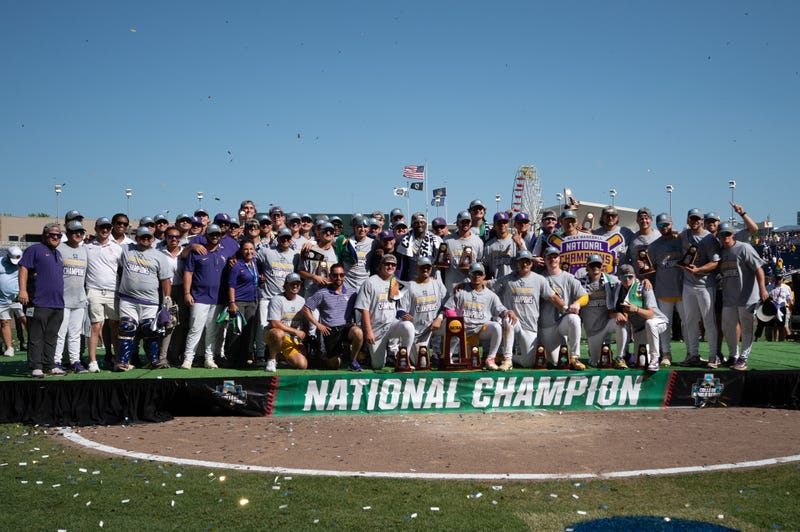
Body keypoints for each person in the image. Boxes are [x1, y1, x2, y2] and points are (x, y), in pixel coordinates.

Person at [116, 226, 173, 371]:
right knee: (126, 328)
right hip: (128, 299)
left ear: (153, 239)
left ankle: (153, 360)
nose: (146, 239)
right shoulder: (126, 249)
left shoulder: (160, 256)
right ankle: (122, 361)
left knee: (150, 329)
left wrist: (167, 299)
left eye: (148, 237)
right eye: (142, 237)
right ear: (137, 237)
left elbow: (166, 279)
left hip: (150, 301)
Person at [494, 250, 563, 369]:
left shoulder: (539, 279)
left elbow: (552, 297)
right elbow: (490, 284)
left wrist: (565, 308)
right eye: (522, 262)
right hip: (514, 320)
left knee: (528, 363)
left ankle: (502, 357)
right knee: (508, 320)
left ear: (531, 263)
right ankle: (507, 359)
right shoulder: (507, 279)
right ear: (517, 263)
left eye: (527, 262)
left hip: (530, 325)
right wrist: (466, 285)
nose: (524, 264)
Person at [716, 223, 768, 370]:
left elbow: (758, 268)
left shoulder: (744, 247)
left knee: (746, 328)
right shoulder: (720, 252)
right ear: (718, 236)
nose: (725, 237)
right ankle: (734, 355)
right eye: (722, 234)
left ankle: (743, 357)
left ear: (733, 234)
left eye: (728, 234)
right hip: (729, 297)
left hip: (747, 296)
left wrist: (763, 288)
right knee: (727, 327)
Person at [443, 262, 514, 370]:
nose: (476, 276)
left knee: (496, 326)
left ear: (484, 276)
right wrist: (458, 322)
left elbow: (500, 309)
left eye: (479, 274)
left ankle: (490, 359)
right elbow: (448, 309)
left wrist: (508, 312)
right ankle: (448, 358)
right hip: (462, 328)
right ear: (469, 275)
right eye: (474, 274)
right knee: (454, 325)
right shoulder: (460, 291)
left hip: (481, 329)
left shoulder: (490, 295)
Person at [18, 223, 66, 377]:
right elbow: (23, 268)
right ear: (45, 235)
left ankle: (49, 365)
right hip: (38, 302)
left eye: (59, 235)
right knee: (36, 336)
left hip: (57, 303)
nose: (56, 237)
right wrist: (23, 290)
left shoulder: (58, 254)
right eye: (53, 234)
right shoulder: (34, 249)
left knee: (52, 337)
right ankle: (36, 366)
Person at [355, 254, 416, 369]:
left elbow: (398, 305)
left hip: (391, 325)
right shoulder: (370, 282)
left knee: (408, 326)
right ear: (380, 266)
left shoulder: (395, 282)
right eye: (387, 264)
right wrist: (368, 331)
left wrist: (402, 314)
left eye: (393, 265)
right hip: (375, 328)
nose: (390, 267)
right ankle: (371, 356)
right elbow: (364, 309)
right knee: (378, 365)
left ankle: (403, 360)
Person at [678, 208, 720, 367]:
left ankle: (712, 356)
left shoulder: (709, 239)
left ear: (702, 221)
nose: (694, 221)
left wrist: (698, 270)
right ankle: (693, 355)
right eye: (692, 218)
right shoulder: (683, 235)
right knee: (690, 321)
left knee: (708, 321)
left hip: (705, 285)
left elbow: (715, 262)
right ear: (688, 220)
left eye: (697, 219)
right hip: (688, 285)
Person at [302, 263, 364, 370]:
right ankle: (324, 358)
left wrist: (355, 323)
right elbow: (305, 309)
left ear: (344, 276)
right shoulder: (322, 293)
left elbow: (358, 308)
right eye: (335, 275)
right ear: (330, 276)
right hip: (330, 331)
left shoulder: (352, 292)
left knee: (358, 332)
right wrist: (318, 325)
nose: (338, 278)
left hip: (346, 328)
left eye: (341, 275)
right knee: (334, 365)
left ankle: (352, 361)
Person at [181, 224, 227, 369]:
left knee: (212, 330)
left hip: (218, 298)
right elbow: (188, 273)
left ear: (220, 236)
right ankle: (188, 358)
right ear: (206, 235)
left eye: (217, 234)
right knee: (195, 328)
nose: (214, 237)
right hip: (199, 297)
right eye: (212, 234)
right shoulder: (197, 251)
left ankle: (209, 358)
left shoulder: (224, 253)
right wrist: (187, 293)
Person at [255, 227, 300, 364]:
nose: (285, 240)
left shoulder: (295, 255)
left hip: (284, 299)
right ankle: (260, 355)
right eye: (282, 237)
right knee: (263, 325)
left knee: (283, 328)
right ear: (277, 238)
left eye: (288, 238)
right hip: (268, 296)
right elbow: (250, 257)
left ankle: (280, 355)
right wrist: (258, 274)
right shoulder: (267, 252)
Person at [613, 264, 669, 371]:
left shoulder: (644, 287)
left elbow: (651, 315)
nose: (627, 280)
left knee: (650, 323)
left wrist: (636, 309)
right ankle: (623, 356)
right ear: (619, 278)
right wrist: (618, 313)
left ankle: (655, 359)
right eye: (624, 277)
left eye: (630, 277)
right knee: (640, 362)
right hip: (639, 328)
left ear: (634, 276)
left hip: (658, 320)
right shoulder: (617, 289)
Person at [646, 213, 684, 366]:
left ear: (672, 223)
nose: (664, 228)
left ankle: (691, 353)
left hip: (682, 290)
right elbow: (651, 269)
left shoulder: (681, 240)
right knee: (664, 325)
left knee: (687, 324)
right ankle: (666, 354)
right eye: (661, 225)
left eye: (666, 224)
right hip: (663, 291)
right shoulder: (654, 246)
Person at [84, 217, 122, 372]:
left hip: (114, 291)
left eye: (107, 227)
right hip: (93, 290)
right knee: (95, 325)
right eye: (102, 227)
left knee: (115, 326)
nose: (105, 230)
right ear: (95, 228)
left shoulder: (118, 248)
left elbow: (123, 269)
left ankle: (118, 359)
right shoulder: (86, 247)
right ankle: (92, 361)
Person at [539, 246, 587, 369]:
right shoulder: (539, 278)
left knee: (574, 318)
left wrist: (577, 303)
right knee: (555, 363)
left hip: (562, 323)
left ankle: (575, 357)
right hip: (546, 326)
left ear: (559, 259)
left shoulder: (569, 277)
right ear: (544, 260)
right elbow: (552, 298)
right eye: (549, 257)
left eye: (555, 257)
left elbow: (585, 296)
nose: (552, 260)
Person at [54, 220, 89, 373]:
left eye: (81, 232)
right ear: (67, 233)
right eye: (75, 232)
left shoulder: (85, 250)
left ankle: (75, 361)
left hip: (79, 299)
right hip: (61, 299)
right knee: (60, 333)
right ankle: (56, 361)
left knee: (75, 334)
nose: (78, 235)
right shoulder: (59, 249)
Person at [398, 256, 447, 364]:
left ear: (431, 268)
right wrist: (404, 315)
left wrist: (439, 318)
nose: (425, 270)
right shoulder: (409, 285)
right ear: (416, 268)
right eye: (422, 267)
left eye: (428, 267)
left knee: (455, 325)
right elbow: (400, 309)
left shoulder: (437, 284)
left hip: (434, 326)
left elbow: (447, 305)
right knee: (422, 363)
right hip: (418, 332)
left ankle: (448, 356)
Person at [577, 254, 622, 367]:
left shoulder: (612, 280)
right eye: (592, 265)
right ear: (587, 267)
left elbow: (628, 280)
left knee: (621, 321)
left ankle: (620, 357)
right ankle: (597, 351)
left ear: (602, 266)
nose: (595, 268)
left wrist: (643, 280)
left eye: (598, 265)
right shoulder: (579, 283)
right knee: (596, 362)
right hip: (592, 332)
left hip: (606, 325)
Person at [225, 240, 260, 368]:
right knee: (236, 330)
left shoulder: (254, 263)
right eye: (246, 249)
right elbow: (231, 285)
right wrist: (232, 302)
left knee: (248, 332)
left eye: (251, 249)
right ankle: (231, 359)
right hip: (239, 301)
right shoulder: (236, 266)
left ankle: (244, 359)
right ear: (241, 251)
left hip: (252, 301)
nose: (249, 252)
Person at [266, 273, 309, 372]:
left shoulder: (302, 300)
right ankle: (272, 360)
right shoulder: (276, 299)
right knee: (278, 333)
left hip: (293, 339)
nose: (295, 286)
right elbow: (274, 323)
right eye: (292, 284)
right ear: (285, 285)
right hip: (276, 335)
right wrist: (296, 332)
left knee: (303, 365)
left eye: (297, 284)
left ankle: (281, 357)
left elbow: (305, 323)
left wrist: (301, 340)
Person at [156, 225, 185, 367]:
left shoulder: (184, 252)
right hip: (165, 290)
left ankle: (176, 355)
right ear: (165, 238)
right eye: (170, 237)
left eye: (177, 237)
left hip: (182, 289)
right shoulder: (159, 253)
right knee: (167, 324)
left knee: (180, 324)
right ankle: (162, 356)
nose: (174, 239)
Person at [443, 211, 484, 293]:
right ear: (457, 223)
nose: (465, 224)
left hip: (470, 287)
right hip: (452, 287)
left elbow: (480, 263)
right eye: (462, 221)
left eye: (467, 221)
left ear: (471, 223)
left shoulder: (478, 241)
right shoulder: (447, 240)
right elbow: (442, 264)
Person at [396, 212, 442, 281]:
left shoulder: (436, 239)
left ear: (426, 224)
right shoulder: (403, 239)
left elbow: (441, 260)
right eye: (416, 223)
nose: (419, 225)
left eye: (422, 222)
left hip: (431, 279)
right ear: (412, 225)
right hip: (412, 280)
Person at [334, 215, 374, 292]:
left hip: (364, 286)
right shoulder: (344, 241)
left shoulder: (374, 243)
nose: (362, 229)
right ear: (354, 228)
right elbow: (326, 240)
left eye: (365, 226)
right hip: (346, 285)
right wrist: (312, 242)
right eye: (359, 226)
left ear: (369, 228)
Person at [0, 246, 25, 357]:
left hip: (19, 298)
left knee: (25, 319)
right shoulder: (0, 262)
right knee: (4, 322)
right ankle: (9, 347)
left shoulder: (23, 263)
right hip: (2, 299)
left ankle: (35, 343)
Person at [483, 212, 516, 280]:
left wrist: (519, 244)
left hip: (512, 282)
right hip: (496, 283)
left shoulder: (516, 240)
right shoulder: (489, 245)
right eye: (499, 222)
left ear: (508, 224)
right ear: (494, 225)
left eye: (505, 222)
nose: (502, 225)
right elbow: (485, 265)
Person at [628, 208, 659, 276]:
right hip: (638, 280)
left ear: (651, 220)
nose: (644, 220)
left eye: (646, 218)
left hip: (656, 279)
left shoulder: (658, 236)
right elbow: (628, 258)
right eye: (641, 218)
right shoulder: (632, 238)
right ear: (637, 221)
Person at [768, 275, 793, 341]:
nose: (778, 281)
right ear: (774, 279)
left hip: (783, 308)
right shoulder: (769, 287)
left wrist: (790, 309)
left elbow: (790, 299)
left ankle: (782, 341)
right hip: (772, 309)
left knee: (783, 326)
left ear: (782, 279)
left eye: (779, 279)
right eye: (776, 279)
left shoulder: (786, 287)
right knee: (772, 327)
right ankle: (772, 342)